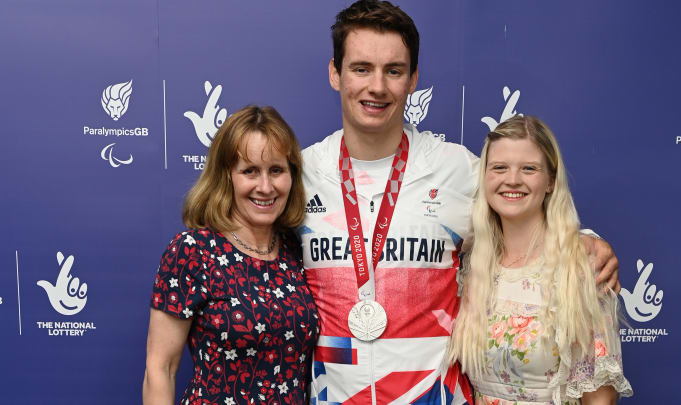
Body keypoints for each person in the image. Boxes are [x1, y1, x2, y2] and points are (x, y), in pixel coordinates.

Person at [299, 1, 619, 404]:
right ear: (335, 73)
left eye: (393, 71)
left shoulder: (457, 170)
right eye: (361, 68)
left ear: (413, 79)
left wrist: (583, 240)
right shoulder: (300, 174)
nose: (376, 86)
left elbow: (524, 211)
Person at [448, 116, 633, 404]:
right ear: (484, 177)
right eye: (499, 168)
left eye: (529, 169)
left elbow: (599, 397)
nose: (512, 180)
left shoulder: (580, 265)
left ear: (550, 180)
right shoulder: (469, 264)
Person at [143, 105, 319, 405]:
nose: (265, 187)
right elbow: (161, 369)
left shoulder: (297, 250)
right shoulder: (193, 251)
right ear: (227, 176)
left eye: (276, 170)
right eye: (250, 171)